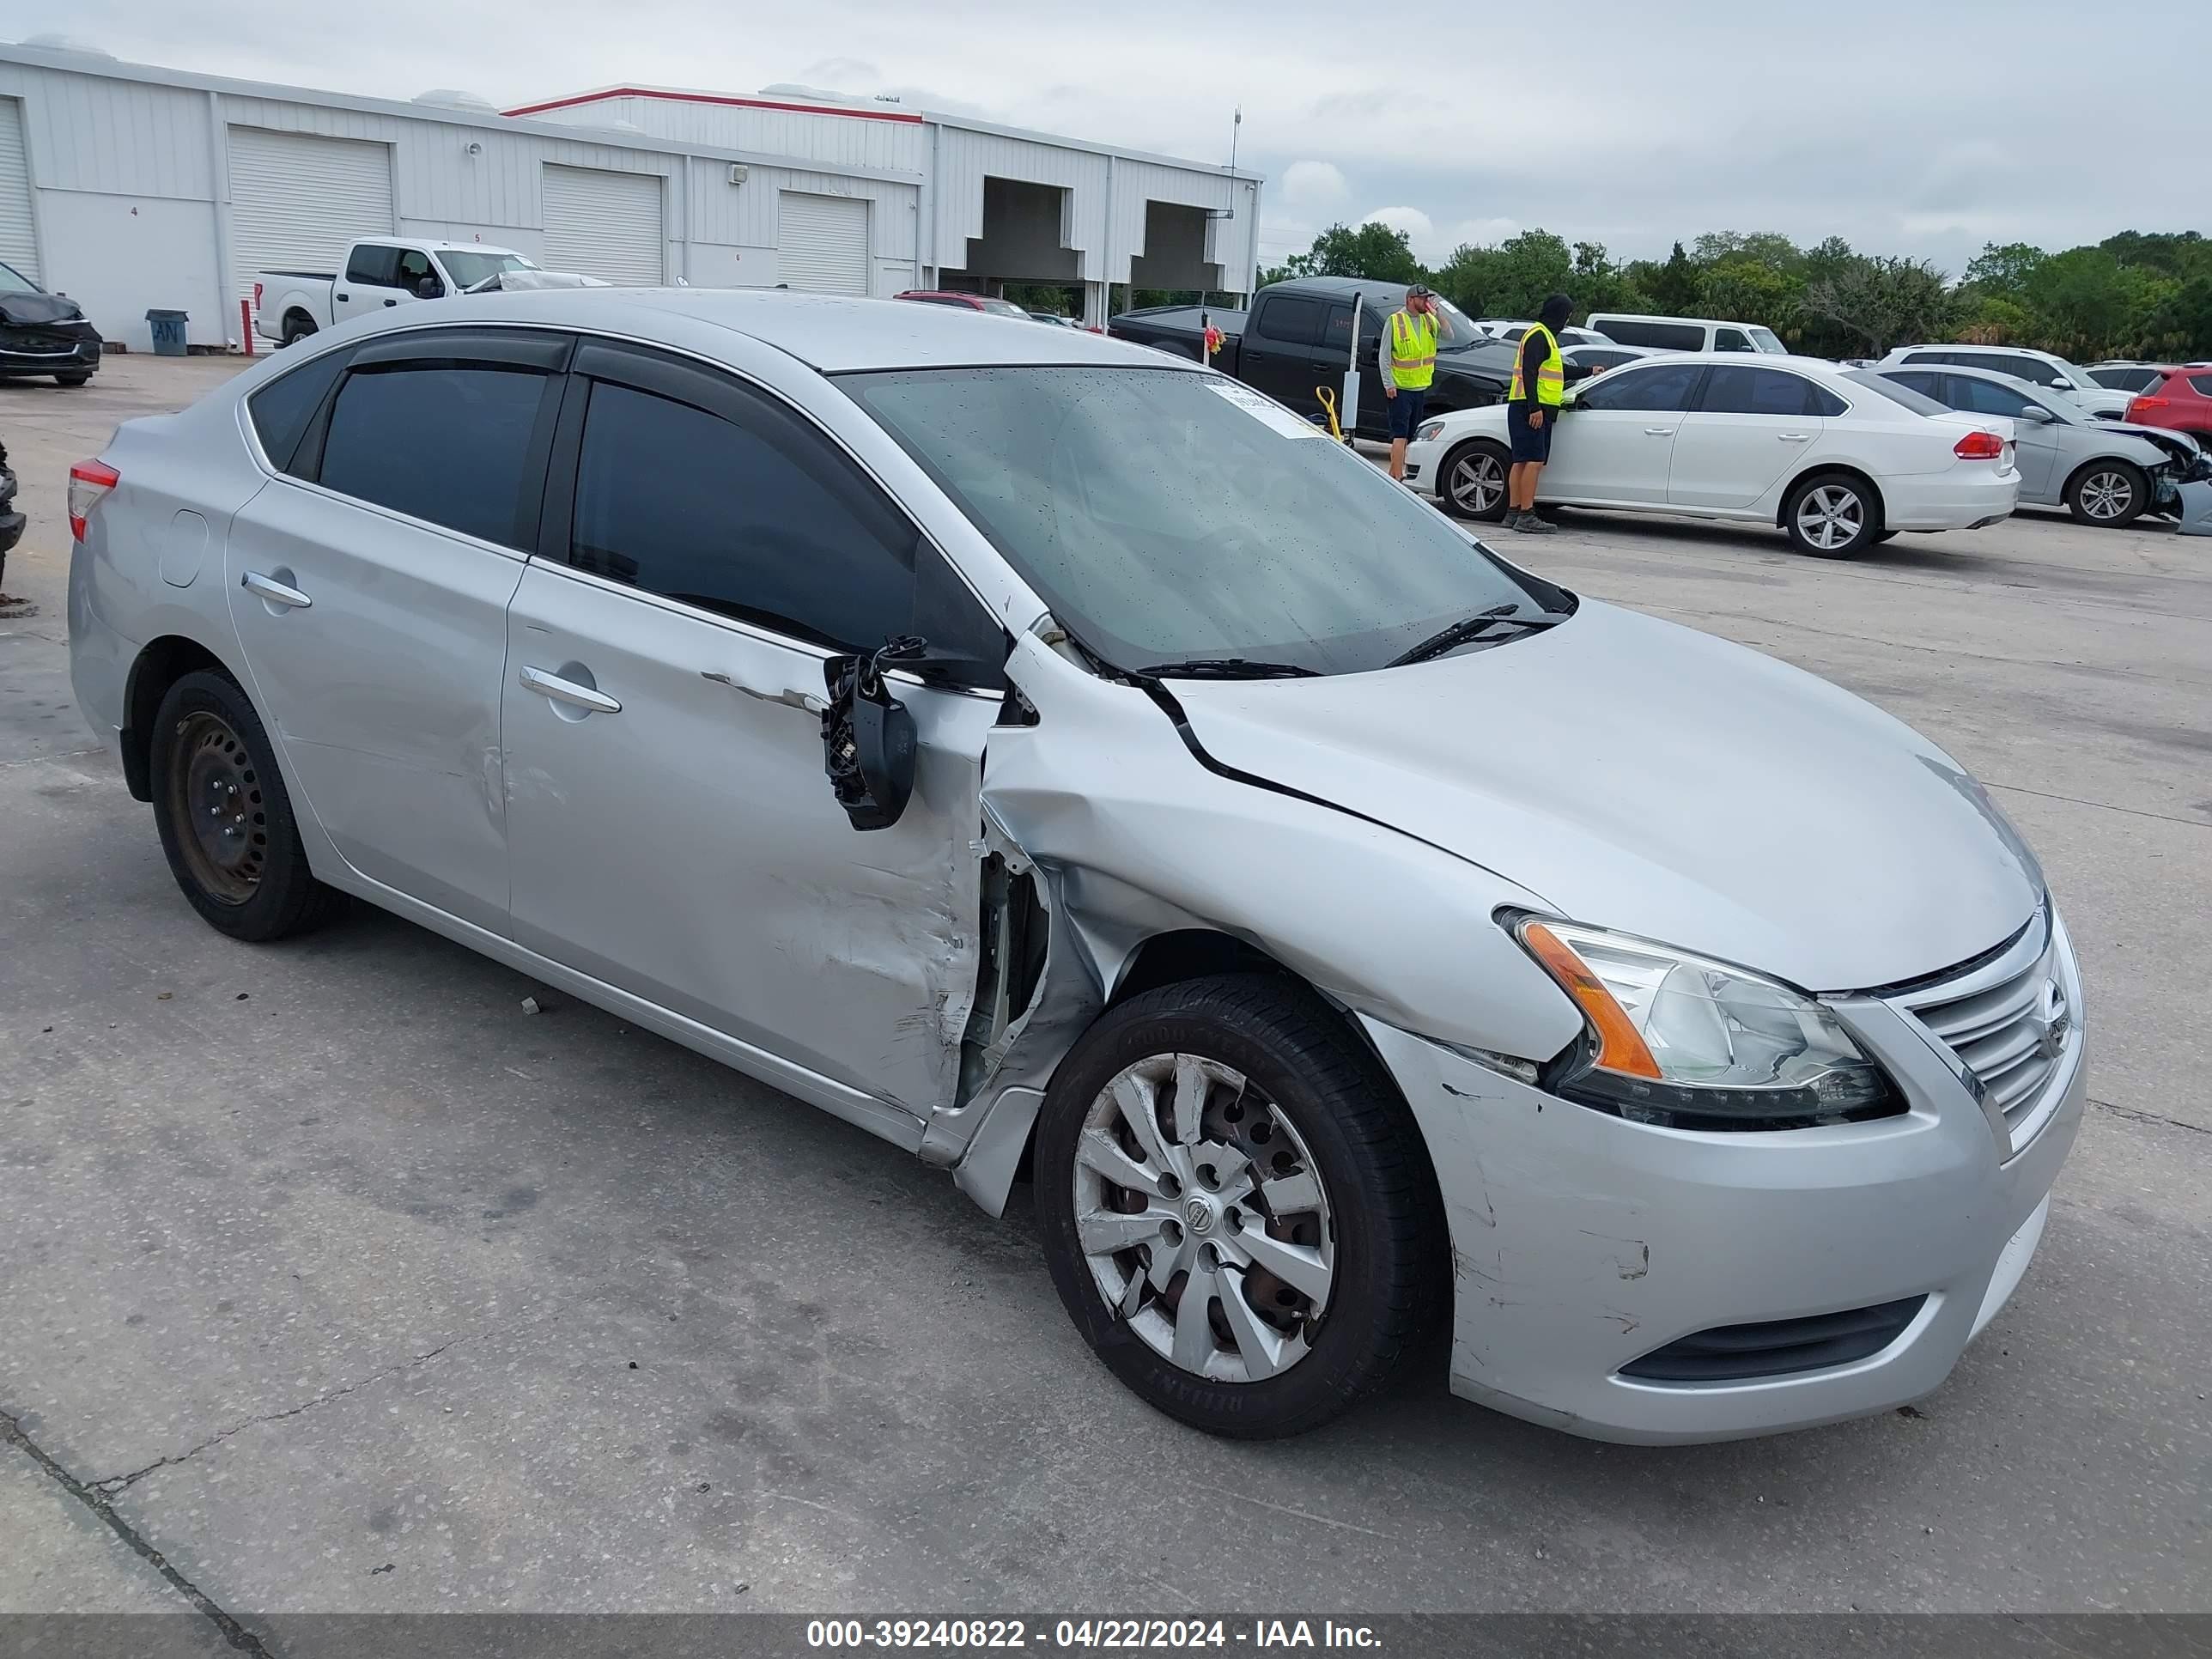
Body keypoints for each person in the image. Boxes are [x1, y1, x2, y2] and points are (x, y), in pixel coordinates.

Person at [1504, 292, 1602, 534]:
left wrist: (1589, 371)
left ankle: (1513, 512)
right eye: (1567, 315)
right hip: (1532, 408)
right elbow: (1530, 372)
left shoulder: (1543, 336)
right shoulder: (1540, 336)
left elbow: (1557, 372)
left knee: (1522, 461)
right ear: (1560, 314)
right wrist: (1535, 408)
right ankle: (1526, 515)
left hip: (1523, 406)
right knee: (1534, 462)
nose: (1567, 321)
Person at [1383, 284, 1453, 482]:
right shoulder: (1396, 321)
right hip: (1401, 388)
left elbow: (1449, 335)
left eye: (1427, 299)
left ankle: (1394, 472)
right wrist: (1389, 384)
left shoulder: (1429, 320)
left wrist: (1438, 313)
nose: (1425, 302)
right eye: (1421, 299)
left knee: (1411, 432)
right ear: (1410, 300)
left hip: (1420, 386)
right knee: (1400, 433)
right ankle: (1397, 476)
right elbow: (1385, 356)